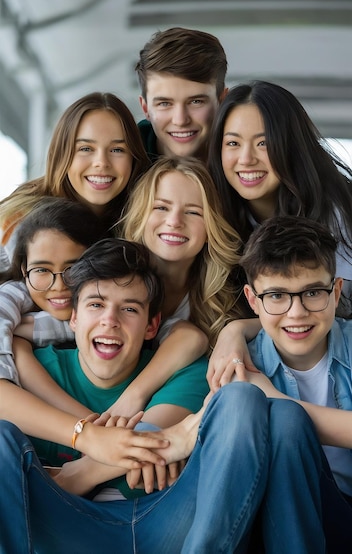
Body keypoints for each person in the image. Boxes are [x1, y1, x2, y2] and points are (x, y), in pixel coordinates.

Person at [0, 237, 327, 553]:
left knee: (242, 398)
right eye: (96, 305)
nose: (110, 321)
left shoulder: (180, 368)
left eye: (129, 309)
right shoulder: (35, 369)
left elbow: (151, 439)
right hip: (65, 525)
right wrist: (169, 442)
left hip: (167, 520)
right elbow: (156, 445)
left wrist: (156, 443)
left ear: (152, 325)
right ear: (73, 317)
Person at [207, 79, 352, 388]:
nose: (246, 159)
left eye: (263, 143)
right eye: (233, 143)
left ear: (290, 145)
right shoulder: (216, 210)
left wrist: (237, 330)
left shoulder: (337, 211)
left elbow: (326, 315)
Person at [239, 215, 352, 551]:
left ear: (336, 291)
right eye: (276, 296)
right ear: (252, 300)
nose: (296, 312)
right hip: (279, 516)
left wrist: (273, 398)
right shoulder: (243, 365)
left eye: (313, 292)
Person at [108, 155, 247, 417]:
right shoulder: (109, 276)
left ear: (211, 227)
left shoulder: (222, 298)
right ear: (141, 214)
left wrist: (238, 328)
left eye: (193, 212)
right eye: (161, 207)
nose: (174, 221)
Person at [0, 91, 150, 270]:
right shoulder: (20, 221)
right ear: (63, 154)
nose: (101, 163)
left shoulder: (140, 226)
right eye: (86, 148)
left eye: (117, 150)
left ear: (133, 158)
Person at [0, 198, 105, 413]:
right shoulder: (15, 293)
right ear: (23, 269)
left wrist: (27, 329)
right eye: (41, 270)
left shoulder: (110, 300)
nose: (59, 285)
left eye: (73, 269)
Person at [135, 27, 228, 162]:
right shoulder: (119, 164)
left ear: (222, 101)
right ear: (145, 108)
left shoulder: (251, 159)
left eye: (196, 102)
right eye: (164, 103)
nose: (180, 120)